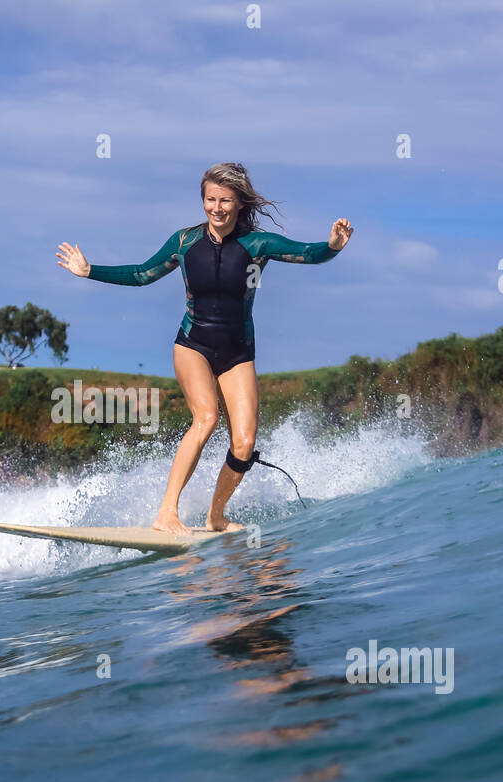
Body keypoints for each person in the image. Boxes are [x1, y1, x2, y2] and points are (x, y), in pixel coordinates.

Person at [56, 162, 353, 535]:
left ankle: (216, 516)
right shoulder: (185, 242)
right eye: (210, 199)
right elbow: (142, 274)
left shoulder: (256, 244)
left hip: (237, 352)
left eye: (225, 200)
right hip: (193, 344)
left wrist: (333, 246)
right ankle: (167, 513)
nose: (217, 208)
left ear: (239, 203)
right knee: (207, 418)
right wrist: (89, 270)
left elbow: (308, 253)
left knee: (244, 443)